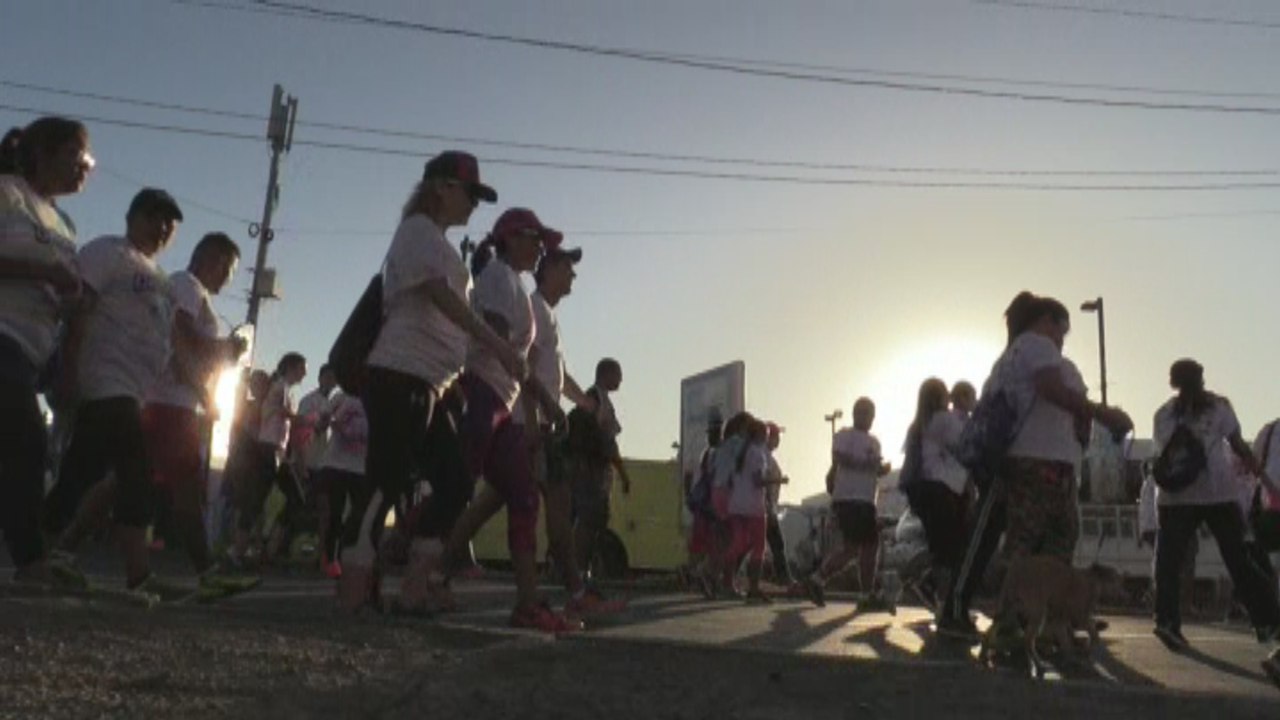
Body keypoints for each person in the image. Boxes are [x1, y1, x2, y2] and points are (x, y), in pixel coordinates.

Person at [337, 151, 517, 615]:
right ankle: (355, 582)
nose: (475, 204)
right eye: (470, 193)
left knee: (455, 483)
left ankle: (415, 585)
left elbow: (453, 320)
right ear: (440, 187)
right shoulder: (417, 231)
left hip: (430, 384)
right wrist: (497, 345)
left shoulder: (439, 242)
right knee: (385, 479)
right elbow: (440, 300)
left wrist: (461, 370)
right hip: (400, 375)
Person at [443, 207, 580, 632]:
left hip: (505, 401)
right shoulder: (499, 277)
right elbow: (501, 342)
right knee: (455, 491)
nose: (540, 246)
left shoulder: (516, 285)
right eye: (535, 238)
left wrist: (546, 400)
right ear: (511, 237)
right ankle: (404, 562)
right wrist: (539, 409)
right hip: (484, 395)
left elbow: (521, 364)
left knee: (522, 498)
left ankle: (527, 604)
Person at [46, 188, 184, 598]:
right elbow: (80, 307)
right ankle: (139, 575)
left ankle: (40, 551)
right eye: (153, 218)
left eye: (169, 224)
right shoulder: (109, 252)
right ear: (132, 217)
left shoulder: (161, 279)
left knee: (81, 470)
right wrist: (69, 370)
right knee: (134, 470)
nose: (161, 229)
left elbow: (165, 338)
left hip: (136, 390)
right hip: (104, 378)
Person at [0, 116, 91, 588]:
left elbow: (66, 290)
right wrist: (43, 270)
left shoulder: (66, 224)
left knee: (22, 440)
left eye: (89, 160)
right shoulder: (7, 193)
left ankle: (32, 556)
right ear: (42, 152)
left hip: (34, 350)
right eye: (78, 156)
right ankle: (32, 562)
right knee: (25, 438)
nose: (86, 168)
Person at [140, 231, 253, 593]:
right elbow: (181, 332)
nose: (229, 279)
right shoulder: (187, 285)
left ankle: (62, 545)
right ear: (213, 259)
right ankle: (208, 572)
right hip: (172, 400)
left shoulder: (192, 290)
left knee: (132, 477)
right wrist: (225, 349)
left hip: (173, 399)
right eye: (229, 269)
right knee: (186, 485)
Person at [1150, 359, 1280, 655]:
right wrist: (1268, 483)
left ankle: (1167, 620)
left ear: (1172, 383)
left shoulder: (1164, 414)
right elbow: (1239, 448)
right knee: (1240, 560)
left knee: (1169, 561)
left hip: (1174, 497)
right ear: (1202, 379)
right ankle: (1267, 621)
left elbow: (1163, 454)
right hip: (1217, 494)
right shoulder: (1219, 407)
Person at [804, 397, 892, 611]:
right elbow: (840, 458)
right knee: (861, 546)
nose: (866, 417)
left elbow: (874, 467)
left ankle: (821, 580)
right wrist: (866, 464)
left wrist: (880, 469)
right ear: (854, 414)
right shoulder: (844, 435)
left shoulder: (875, 442)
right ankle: (862, 593)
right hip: (849, 498)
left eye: (869, 413)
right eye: (862, 412)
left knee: (859, 547)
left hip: (866, 499)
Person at [902, 378, 968, 611]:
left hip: (921, 488)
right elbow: (964, 445)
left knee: (940, 546)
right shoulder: (944, 420)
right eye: (945, 394)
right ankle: (936, 592)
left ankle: (926, 585)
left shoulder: (918, 425)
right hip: (941, 488)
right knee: (952, 547)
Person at [237, 353, 307, 563]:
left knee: (296, 499)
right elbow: (284, 414)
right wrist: (310, 420)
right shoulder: (278, 386)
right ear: (292, 368)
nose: (305, 373)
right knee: (256, 501)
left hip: (278, 453)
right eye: (302, 368)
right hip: (268, 450)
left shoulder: (283, 389)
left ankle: (268, 545)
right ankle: (238, 552)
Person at [722, 418, 776, 603]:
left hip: (737, 504)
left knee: (737, 543)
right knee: (759, 547)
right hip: (754, 506)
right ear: (761, 435)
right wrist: (777, 481)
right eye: (767, 434)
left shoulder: (740, 453)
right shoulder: (758, 454)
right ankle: (754, 587)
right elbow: (757, 481)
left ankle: (727, 582)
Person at [314, 391, 367, 579]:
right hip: (334, 464)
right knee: (333, 513)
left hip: (360, 468)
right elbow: (320, 425)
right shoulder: (341, 397)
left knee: (361, 514)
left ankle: (348, 555)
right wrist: (326, 420)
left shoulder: (376, 397)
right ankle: (328, 559)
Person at [762, 422, 793, 585]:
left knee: (752, 543)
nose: (778, 440)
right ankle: (784, 578)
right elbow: (763, 481)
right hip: (766, 508)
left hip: (768, 507)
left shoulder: (767, 456)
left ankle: (783, 577)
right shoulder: (764, 456)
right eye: (775, 436)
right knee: (777, 543)